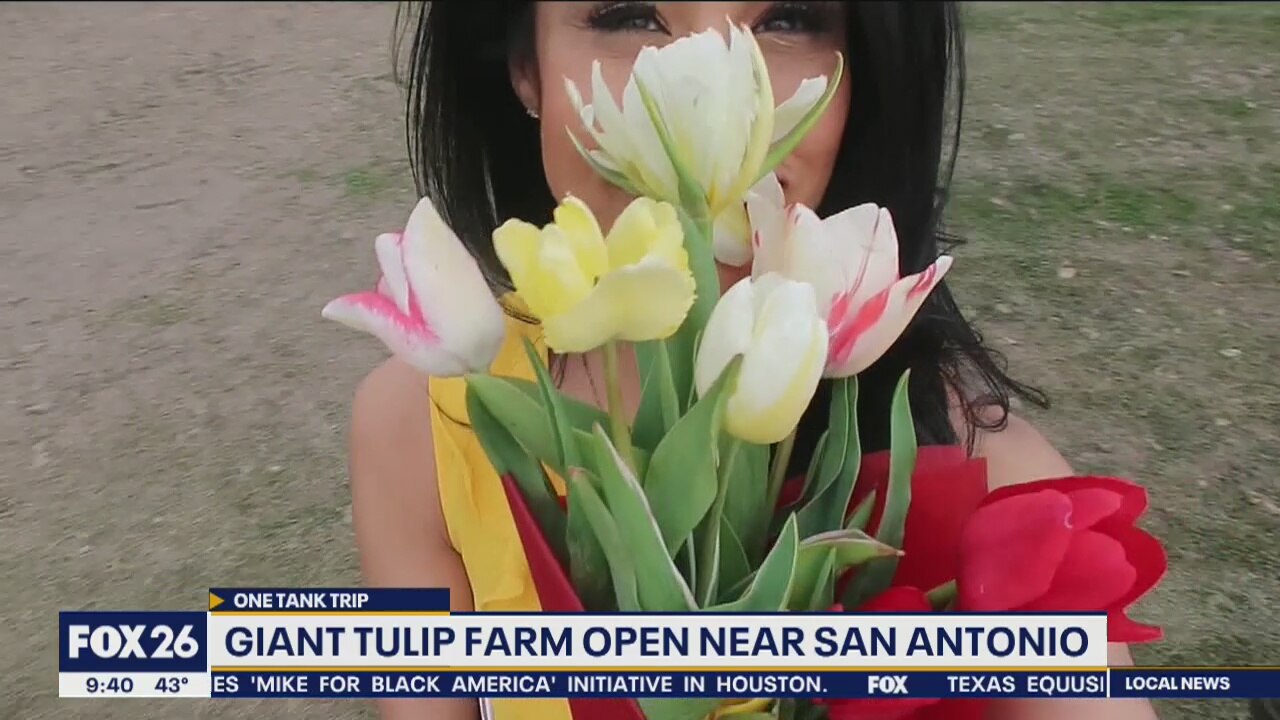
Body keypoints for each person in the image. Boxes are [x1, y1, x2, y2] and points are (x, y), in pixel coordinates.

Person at [347, 3, 1160, 719]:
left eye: (789, 18)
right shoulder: (423, 430)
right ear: (525, 66)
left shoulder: (991, 484)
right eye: (629, 14)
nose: (715, 94)